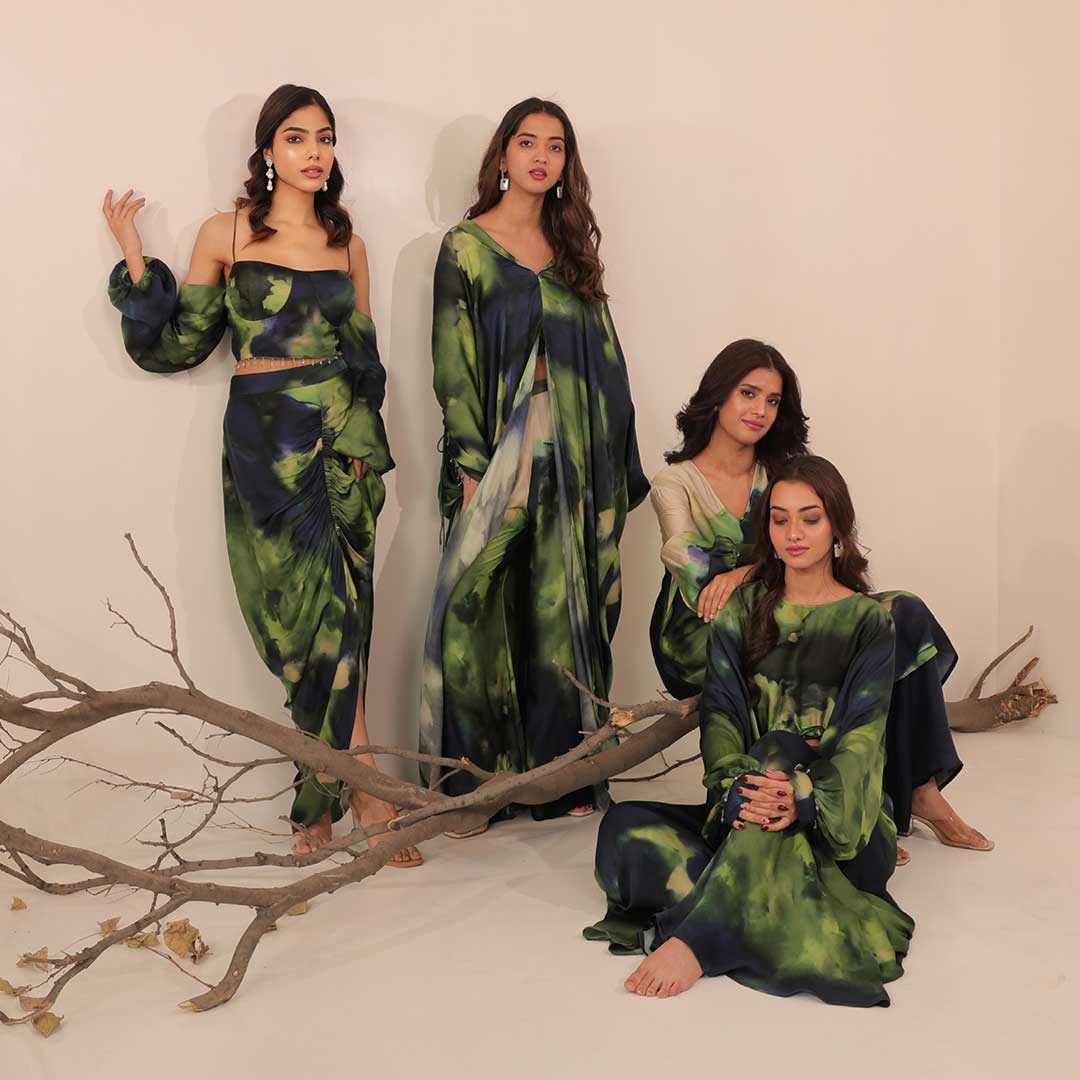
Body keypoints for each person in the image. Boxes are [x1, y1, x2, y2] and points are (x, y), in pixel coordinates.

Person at [103, 84, 420, 866]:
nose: (315, 152)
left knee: (347, 618)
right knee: (300, 627)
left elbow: (368, 361)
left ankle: (342, 795)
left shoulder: (350, 245)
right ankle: (350, 789)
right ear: (268, 152)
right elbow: (180, 345)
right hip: (264, 441)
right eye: (296, 138)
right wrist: (137, 263)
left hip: (340, 437)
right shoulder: (228, 232)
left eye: (326, 138)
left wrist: (364, 442)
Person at [586, 455, 913, 1005]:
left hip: (840, 827)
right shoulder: (743, 609)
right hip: (749, 807)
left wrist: (804, 795)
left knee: (781, 749)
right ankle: (763, 899)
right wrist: (735, 786)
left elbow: (863, 737)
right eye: (779, 519)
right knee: (624, 828)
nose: (793, 533)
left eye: (810, 518)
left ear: (837, 524)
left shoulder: (868, 621)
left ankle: (702, 935)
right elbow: (723, 713)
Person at [648, 340, 990, 859]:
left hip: (792, 607)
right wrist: (752, 573)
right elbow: (698, 576)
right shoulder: (676, 483)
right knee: (841, 640)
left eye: (772, 400)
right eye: (747, 393)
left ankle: (920, 792)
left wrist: (747, 569)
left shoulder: (779, 471)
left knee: (900, 615)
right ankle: (858, 810)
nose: (760, 410)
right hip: (708, 630)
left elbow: (816, 547)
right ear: (717, 396)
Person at [419, 97, 648, 830]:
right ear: (503, 156)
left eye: (555, 146)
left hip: (576, 468)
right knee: (475, 611)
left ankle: (560, 782)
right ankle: (475, 788)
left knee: (561, 617)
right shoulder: (465, 247)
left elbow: (606, 362)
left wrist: (613, 465)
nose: (541, 156)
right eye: (527, 142)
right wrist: (471, 465)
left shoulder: (573, 251)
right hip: (499, 459)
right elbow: (451, 365)